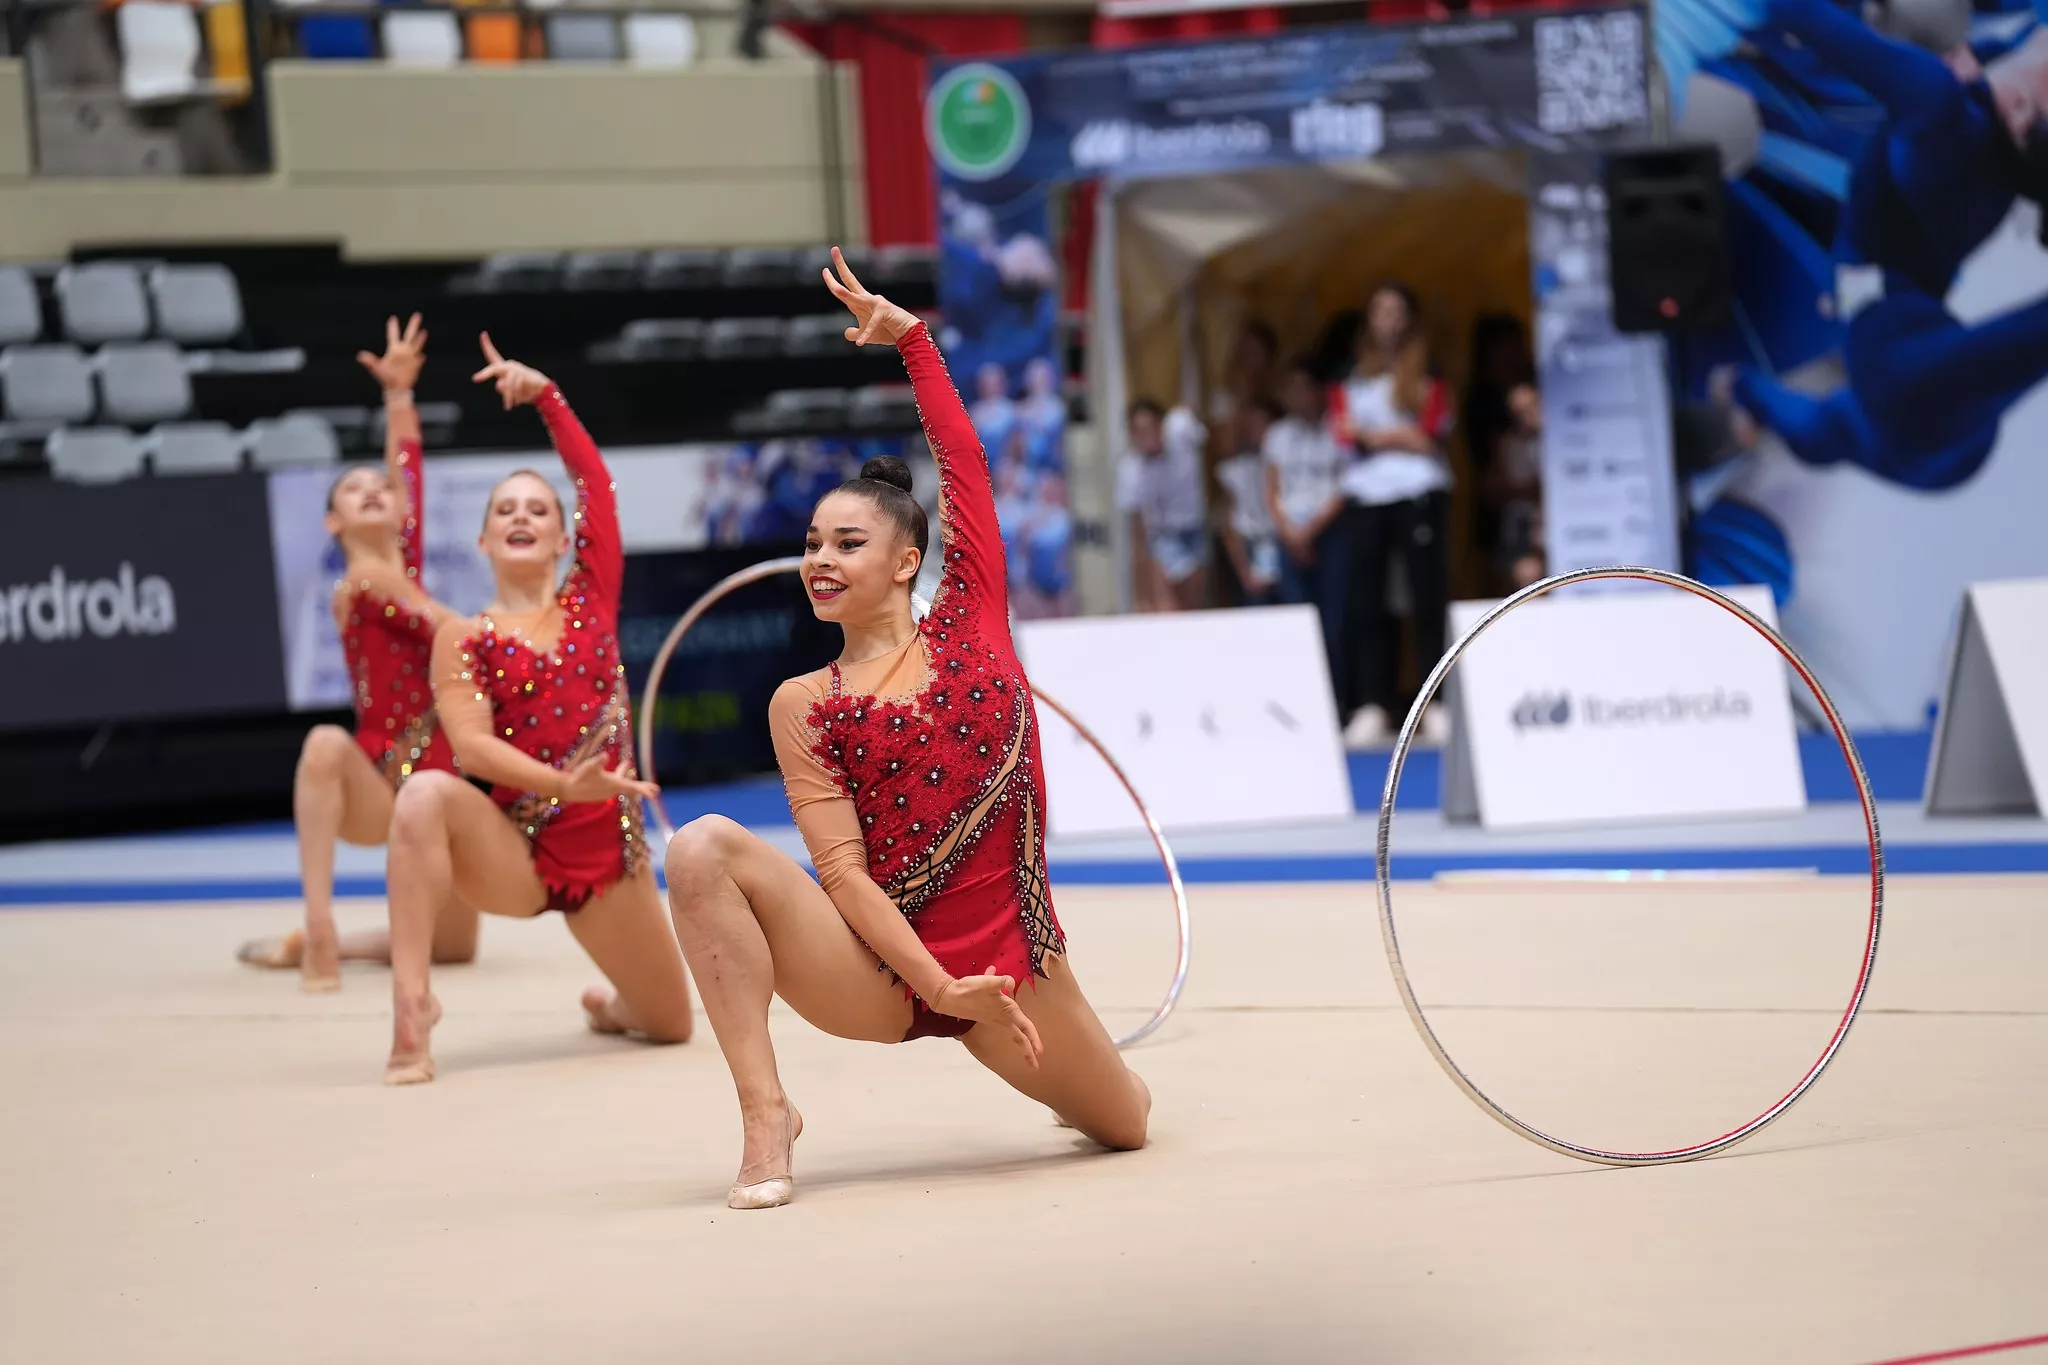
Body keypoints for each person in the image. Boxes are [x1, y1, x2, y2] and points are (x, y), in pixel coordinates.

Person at [664, 250, 1149, 1210]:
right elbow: (843, 876)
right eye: (811, 543)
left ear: (906, 561)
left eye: (847, 543)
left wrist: (915, 344)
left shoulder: (973, 622)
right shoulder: (805, 700)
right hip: (881, 972)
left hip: (1013, 965)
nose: (820, 559)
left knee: (1128, 1121)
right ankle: (766, 1113)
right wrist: (937, 985)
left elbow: (966, 469)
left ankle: (1075, 1077)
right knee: (699, 848)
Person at [378, 334, 694, 1084]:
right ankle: (412, 1000)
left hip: (609, 856)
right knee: (424, 794)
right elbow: (472, 748)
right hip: (516, 851)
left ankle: (612, 1006)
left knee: (670, 1025)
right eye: (505, 510)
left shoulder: (591, 603)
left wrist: (548, 397)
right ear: (484, 538)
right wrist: (561, 786)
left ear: (561, 538)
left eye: (538, 509)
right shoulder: (464, 636)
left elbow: (597, 485)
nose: (521, 517)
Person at [236, 315, 478, 991]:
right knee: (322, 743)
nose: (373, 488)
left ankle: (335, 945)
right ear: (332, 522)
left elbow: (408, 475)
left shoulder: (403, 568)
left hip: (443, 777)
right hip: (380, 779)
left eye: (380, 487)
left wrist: (398, 395)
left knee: (455, 946)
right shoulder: (365, 580)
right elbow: (454, 629)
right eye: (352, 488)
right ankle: (318, 923)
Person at [1330, 283, 1454, 748]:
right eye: (1380, 311)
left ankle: (1434, 702)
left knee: (1426, 598)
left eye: (1396, 311)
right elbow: (1344, 434)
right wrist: (1399, 435)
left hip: (1418, 491)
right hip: (1366, 496)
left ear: (1409, 319)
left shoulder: (1430, 370)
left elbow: (1431, 434)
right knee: (1367, 600)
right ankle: (1373, 703)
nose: (1388, 320)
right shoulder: (1350, 375)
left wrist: (1375, 436)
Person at [1263, 357, 1349, 691]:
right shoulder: (1278, 434)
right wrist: (1290, 531)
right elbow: (1271, 489)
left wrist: (1312, 529)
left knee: (1333, 620)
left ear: (1318, 390)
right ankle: (1302, 693)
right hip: (1289, 534)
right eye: (1291, 389)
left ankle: (1337, 696)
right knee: (1296, 620)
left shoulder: (1338, 428)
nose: (1297, 396)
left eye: (1303, 388)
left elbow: (1345, 484)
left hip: (1329, 530)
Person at [1118, 398, 1209, 611]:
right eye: (1136, 431)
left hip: (1194, 526)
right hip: (1162, 534)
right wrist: (1141, 588)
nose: (1143, 436)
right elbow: (1137, 524)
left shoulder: (1180, 428)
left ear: (1161, 425)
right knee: (1168, 606)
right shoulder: (1131, 469)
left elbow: (1193, 411)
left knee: (1193, 605)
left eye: (1147, 428)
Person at [1215, 402, 1282, 606]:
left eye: (1262, 425)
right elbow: (1229, 524)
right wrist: (1243, 569)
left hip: (1283, 543)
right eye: (1251, 426)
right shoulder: (1233, 469)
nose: (1257, 432)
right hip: (1250, 546)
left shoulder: (1286, 464)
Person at [1485, 381, 1546, 594]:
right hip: (1520, 524)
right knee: (1526, 575)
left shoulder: (1561, 441)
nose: (1525, 417)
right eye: (1518, 413)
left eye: (1531, 408)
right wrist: (1526, 490)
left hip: (1557, 522)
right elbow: (1493, 487)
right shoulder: (1506, 443)